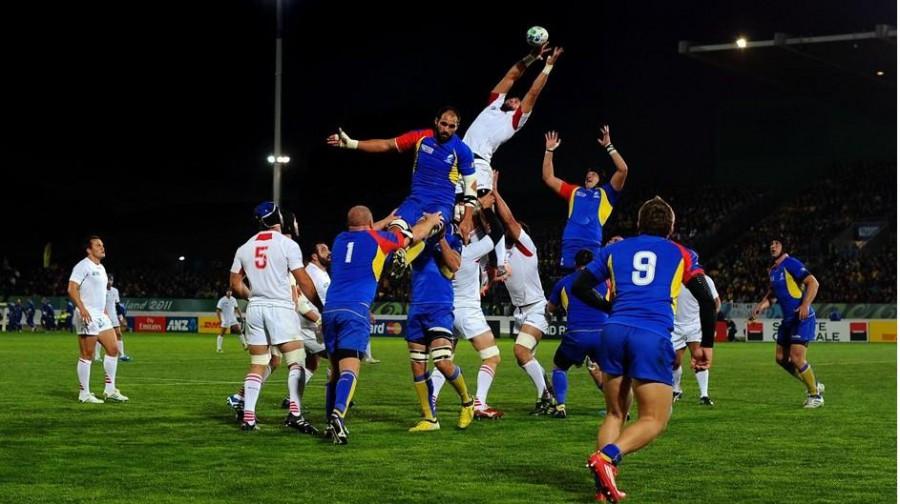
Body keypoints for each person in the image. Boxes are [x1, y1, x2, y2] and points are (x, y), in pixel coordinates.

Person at [575, 197, 716, 503]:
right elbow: (706, 299)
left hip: (614, 331)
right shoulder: (681, 252)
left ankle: (603, 488)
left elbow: (579, 286)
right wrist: (706, 345)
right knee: (655, 419)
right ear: (671, 227)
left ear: (638, 225)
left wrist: (609, 307)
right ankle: (607, 458)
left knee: (616, 413)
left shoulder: (613, 250)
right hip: (651, 334)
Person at [322, 205, 440, 443]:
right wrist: (431, 221)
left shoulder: (340, 239)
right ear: (370, 223)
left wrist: (386, 219)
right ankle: (338, 417)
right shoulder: (378, 239)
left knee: (335, 371)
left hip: (330, 310)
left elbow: (362, 229)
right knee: (350, 369)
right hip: (355, 310)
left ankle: (329, 422)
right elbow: (412, 237)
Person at [326, 106, 479, 272]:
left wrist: (467, 219)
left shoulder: (462, 150)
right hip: (415, 201)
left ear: (457, 127)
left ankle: (401, 259)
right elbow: (387, 144)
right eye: (443, 124)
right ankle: (392, 262)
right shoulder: (421, 137)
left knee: (426, 226)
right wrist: (353, 144)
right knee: (395, 227)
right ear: (436, 121)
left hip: (441, 205)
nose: (446, 129)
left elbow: (471, 186)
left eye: (451, 126)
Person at [458, 44, 564, 273]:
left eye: (518, 101)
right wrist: (531, 57)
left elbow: (532, 93)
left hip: (478, 165)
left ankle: (500, 263)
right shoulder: (493, 104)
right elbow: (511, 76)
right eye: (514, 98)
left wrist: (547, 67)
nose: (515, 99)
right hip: (457, 162)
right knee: (458, 213)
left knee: (485, 212)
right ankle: (476, 265)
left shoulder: (515, 121)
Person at [228, 202, 320, 432]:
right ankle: (295, 414)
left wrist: (253, 297)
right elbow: (303, 281)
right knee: (296, 361)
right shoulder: (287, 244)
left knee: (259, 363)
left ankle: (249, 417)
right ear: (279, 218)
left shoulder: (244, 247)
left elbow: (235, 284)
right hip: (280, 307)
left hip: (255, 308)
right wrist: (321, 307)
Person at [432, 194, 506, 419]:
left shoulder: (439, 250)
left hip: (447, 310)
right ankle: (479, 403)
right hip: (467, 311)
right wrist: (486, 209)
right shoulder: (469, 252)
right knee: (492, 356)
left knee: (445, 359)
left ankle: (431, 399)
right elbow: (497, 232)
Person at [493, 172, 554, 414]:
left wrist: (495, 191)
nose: (512, 229)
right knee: (525, 358)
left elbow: (508, 221)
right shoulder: (503, 254)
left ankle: (545, 396)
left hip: (537, 309)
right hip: (520, 312)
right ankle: (547, 392)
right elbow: (494, 227)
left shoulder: (528, 247)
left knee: (520, 352)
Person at [406, 223, 475, 433]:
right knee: (418, 365)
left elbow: (454, 265)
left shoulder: (452, 240)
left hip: (439, 307)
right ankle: (430, 418)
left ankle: (467, 402)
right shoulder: (417, 240)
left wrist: (441, 238)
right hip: (416, 307)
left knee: (442, 362)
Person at [541, 128, 628, 271]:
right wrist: (549, 151)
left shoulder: (607, 194)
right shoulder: (575, 191)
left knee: (591, 279)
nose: (590, 175)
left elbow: (623, 170)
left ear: (600, 179)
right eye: (588, 173)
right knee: (569, 278)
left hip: (592, 244)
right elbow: (548, 177)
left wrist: (609, 146)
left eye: (594, 174)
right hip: (570, 243)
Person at [751, 239, 824, 409]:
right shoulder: (773, 270)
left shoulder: (791, 263)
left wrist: (805, 305)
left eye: (776, 243)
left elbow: (813, 283)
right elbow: (772, 295)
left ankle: (815, 396)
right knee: (781, 359)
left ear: (783, 247)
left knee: (797, 357)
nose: (772, 246)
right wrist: (761, 306)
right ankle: (812, 383)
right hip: (788, 320)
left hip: (801, 317)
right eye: (770, 244)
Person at [545, 249, 609, 418]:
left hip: (576, 334)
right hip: (602, 333)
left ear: (575, 264)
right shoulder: (605, 281)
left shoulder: (564, 282)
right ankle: (619, 409)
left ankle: (560, 406)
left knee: (560, 367)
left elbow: (550, 308)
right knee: (609, 372)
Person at [68, 235, 128, 404]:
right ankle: (84, 393)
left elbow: (99, 294)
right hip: (87, 314)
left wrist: (105, 312)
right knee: (87, 355)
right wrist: (82, 308)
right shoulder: (82, 266)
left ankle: (110, 390)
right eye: (98, 245)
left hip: (101, 316)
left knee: (113, 349)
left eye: (102, 245)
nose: (102, 247)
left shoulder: (101, 268)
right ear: (89, 250)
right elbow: (72, 289)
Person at [671, 250, 720, 405]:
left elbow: (716, 303)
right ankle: (676, 389)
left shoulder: (706, 280)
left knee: (699, 359)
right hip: (676, 326)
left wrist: (709, 322)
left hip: (695, 325)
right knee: (674, 362)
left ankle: (704, 395)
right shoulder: (672, 279)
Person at [105, 276, 131, 361]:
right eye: (108, 280)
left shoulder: (115, 291)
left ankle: (122, 355)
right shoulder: (101, 290)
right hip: (103, 316)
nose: (110, 282)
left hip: (113, 316)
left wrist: (121, 317)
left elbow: (117, 305)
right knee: (100, 337)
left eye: (111, 280)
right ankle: (97, 356)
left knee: (119, 334)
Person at [215, 289, 244, 353]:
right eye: (228, 291)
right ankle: (219, 348)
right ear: (226, 292)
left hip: (233, 319)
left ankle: (245, 345)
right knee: (222, 333)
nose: (229, 292)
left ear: (232, 292)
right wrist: (220, 320)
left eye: (230, 291)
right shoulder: (222, 300)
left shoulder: (233, 299)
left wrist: (241, 316)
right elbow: (218, 310)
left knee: (239, 331)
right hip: (225, 319)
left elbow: (237, 308)